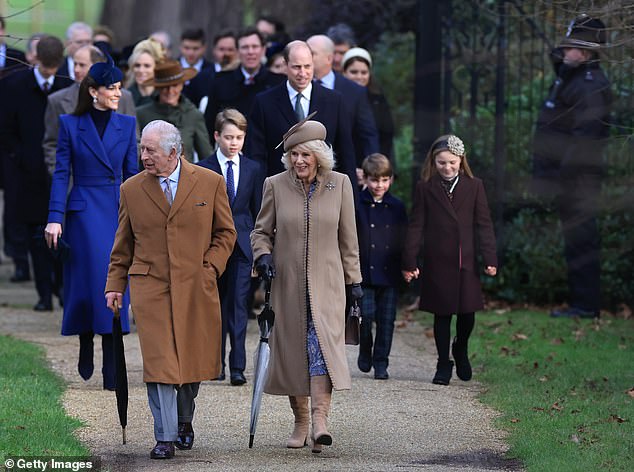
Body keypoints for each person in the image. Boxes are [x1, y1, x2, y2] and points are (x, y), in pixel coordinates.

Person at [105, 120, 236, 459]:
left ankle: (183, 420)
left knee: (192, 360)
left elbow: (226, 234)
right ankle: (164, 436)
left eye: (150, 150)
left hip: (196, 284)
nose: (143, 155)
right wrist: (114, 286)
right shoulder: (131, 189)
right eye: (142, 148)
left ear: (174, 152)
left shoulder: (210, 183)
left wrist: (210, 267)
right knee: (160, 362)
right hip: (151, 286)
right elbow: (123, 244)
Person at [251, 119, 362, 453]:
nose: (298, 160)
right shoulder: (275, 184)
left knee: (321, 350)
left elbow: (349, 239)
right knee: (293, 353)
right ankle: (301, 421)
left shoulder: (340, 184)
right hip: (287, 284)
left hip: (328, 285)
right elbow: (260, 231)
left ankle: (320, 422)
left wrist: (355, 281)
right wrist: (263, 256)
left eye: (304, 154)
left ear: (318, 156)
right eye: (293, 154)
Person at [44, 56, 138, 390]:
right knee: (86, 284)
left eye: (118, 87)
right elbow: (61, 173)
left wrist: (140, 219)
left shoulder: (127, 124)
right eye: (111, 88)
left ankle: (112, 358)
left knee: (114, 282)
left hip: (115, 211)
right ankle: (86, 337)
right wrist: (55, 218)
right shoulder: (70, 124)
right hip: (82, 213)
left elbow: (133, 176)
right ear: (93, 91)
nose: (117, 92)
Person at [531, 15, 612, 319]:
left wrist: (560, 177)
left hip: (577, 181)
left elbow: (584, 140)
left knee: (582, 241)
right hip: (567, 179)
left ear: (588, 51)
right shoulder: (571, 77)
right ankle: (581, 302)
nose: (564, 50)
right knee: (575, 239)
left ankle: (586, 305)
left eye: (571, 46)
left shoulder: (590, 86)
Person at [401, 135, 497, 386]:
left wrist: (490, 257)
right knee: (442, 315)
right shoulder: (425, 187)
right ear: (434, 162)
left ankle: (460, 347)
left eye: (452, 163)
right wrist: (409, 261)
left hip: (466, 261)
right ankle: (443, 362)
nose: (447, 168)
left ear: (461, 161)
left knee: (468, 314)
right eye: (441, 163)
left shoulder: (474, 186)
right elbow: (416, 225)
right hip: (437, 261)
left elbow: (484, 224)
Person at [0, 35, 73, 310]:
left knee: (60, 233)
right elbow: (4, 128)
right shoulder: (13, 86)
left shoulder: (67, 86)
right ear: (34, 59)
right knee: (35, 235)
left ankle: (61, 286)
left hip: (59, 174)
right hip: (27, 174)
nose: (50, 74)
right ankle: (44, 292)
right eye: (46, 67)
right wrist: (21, 157)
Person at [198, 109, 263, 386]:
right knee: (214, 307)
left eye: (238, 137)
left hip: (242, 247)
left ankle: (238, 366)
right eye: (228, 137)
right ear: (216, 136)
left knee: (238, 306)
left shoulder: (253, 169)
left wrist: (261, 251)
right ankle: (215, 365)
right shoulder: (203, 167)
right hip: (212, 246)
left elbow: (259, 210)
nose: (233, 142)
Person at [248, 40, 356, 187]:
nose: (302, 73)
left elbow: (346, 154)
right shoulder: (264, 102)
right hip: (280, 192)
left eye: (307, 66)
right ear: (285, 65)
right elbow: (257, 156)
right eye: (296, 67)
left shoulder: (334, 101)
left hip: (325, 191)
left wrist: (350, 202)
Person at [43, 45, 136, 175]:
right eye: (74, 64)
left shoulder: (124, 97)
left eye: (82, 65)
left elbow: (134, 142)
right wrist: (65, 179)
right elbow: (52, 145)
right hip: (77, 185)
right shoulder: (57, 100)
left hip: (115, 183)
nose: (76, 69)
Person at [355, 154, 407, 380]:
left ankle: (381, 362)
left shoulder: (397, 206)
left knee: (386, 321)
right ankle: (365, 350)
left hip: (389, 272)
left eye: (385, 180)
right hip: (364, 272)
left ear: (391, 180)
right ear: (365, 178)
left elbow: (405, 238)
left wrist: (408, 264)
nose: (380, 186)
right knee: (365, 317)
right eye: (375, 180)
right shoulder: (356, 203)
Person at [307, 35, 379, 181]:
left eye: (312, 53)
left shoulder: (354, 91)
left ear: (329, 58)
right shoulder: (299, 88)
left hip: (342, 173)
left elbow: (367, 134)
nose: (306, 57)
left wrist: (370, 171)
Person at [204, 27, 285, 139]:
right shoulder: (221, 81)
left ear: (263, 50)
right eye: (245, 47)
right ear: (237, 51)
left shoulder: (278, 82)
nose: (250, 52)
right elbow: (210, 123)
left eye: (255, 47)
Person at [137, 60, 213, 162]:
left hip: (185, 176)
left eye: (175, 85)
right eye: (165, 87)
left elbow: (206, 156)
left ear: (182, 85)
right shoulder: (141, 114)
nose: (170, 91)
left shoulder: (193, 114)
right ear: (157, 87)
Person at [343, 47, 395, 164]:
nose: (359, 77)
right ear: (344, 73)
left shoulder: (378, 99)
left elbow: (387, 135)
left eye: (364, 72)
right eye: (354, 72)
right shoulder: (337, 98)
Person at [178, 27, 214, 107]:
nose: (191, 53)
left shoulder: (212, 71)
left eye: (195, 48)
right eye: (186, 48)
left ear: (204, 48)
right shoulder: (172, 69)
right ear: (180, 47)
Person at [125, 39, 164, 107]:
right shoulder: (124, 97)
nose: (141, 70)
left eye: (147, 66)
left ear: (156, 67)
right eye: (137, 65)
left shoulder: (165, 96)